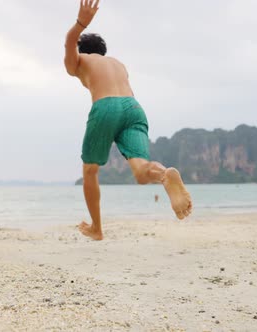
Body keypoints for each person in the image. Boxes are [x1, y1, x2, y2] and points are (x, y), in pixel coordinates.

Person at [64, 0, 193, 240]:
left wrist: (81, 23)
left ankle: (97, 228)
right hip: (134, 109)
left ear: (83, 52)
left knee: (90, 171)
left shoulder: (81, 61)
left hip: (106, 106)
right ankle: (165, 175)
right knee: (142, 173)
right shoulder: (118, 64)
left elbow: (69, 43)